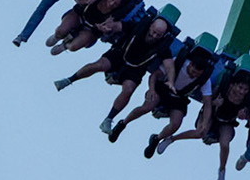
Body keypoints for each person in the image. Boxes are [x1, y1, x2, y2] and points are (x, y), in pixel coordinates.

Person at [54, 7, 180, 135]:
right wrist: (108, 28)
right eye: (153, 32)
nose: (153, 36)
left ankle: (108, 119)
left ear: (163, 35)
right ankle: (69, 80)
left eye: (158, 35)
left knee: (129, 89)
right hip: (120, 54)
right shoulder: (138, 26)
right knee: (99, 65)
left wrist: (170, 81)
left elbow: (169, 65)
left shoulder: (164, 46)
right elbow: (119, 26)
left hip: (136, 68)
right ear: (151, 25)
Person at [160, 61, 250, 180]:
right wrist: (215, 102)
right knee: (200, 132)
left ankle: (222, 170)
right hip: (212, 114)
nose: (242, 92)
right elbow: (206, 101)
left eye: (245, 90)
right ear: (234, 84)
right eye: (240, 88)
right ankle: (171, 139)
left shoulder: (246, 98)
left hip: (227, 122)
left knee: (225, 144)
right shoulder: (224, 87)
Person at [127, 39, 218, 151]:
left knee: (175, 123)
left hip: (179, 97)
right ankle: (124, 122)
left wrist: (205, 123)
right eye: (193, 72)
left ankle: (157, 139)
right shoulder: (178, 62)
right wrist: (151, 89)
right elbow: (155, 75)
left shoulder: (204, 79)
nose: (194, 75)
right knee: (147, 107)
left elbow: (207, 103)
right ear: (190, 64)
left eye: (197, 74)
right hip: (164, 88)